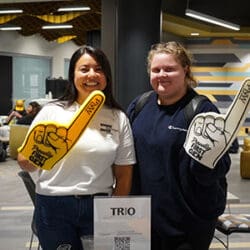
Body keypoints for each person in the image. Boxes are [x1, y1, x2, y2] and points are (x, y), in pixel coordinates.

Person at [17, 45, 136, 250]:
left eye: (99, 69)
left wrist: (114, 212)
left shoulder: (117, 117)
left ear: (106, 76)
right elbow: (25, 163)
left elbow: (124, 173)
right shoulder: (51, 112)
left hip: (99, 205)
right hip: (54, 205)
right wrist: (41, 152)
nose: (92, 74)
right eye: (84, 69)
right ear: (72, 75)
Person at [127, 41, 231, 250]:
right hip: (142, 223)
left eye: (169, 69)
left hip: (188, 226)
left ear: (185, 70)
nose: (162, 74)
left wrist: (204, 161)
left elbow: (220, 167)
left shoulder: (202, 111)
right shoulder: (140, 106)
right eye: (156, 70)